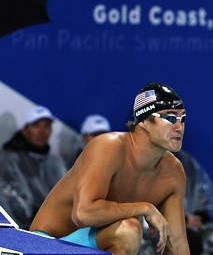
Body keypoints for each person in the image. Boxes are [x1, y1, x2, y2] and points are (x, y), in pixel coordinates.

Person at [30, 83, 190, 255]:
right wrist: (146, 208)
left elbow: (177, 243)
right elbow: (83, 213)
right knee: (128, 231)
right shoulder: (108, 147)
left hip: (87, 245)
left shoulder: (173, 172)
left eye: (183, 118)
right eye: (171, 118)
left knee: (130, 231)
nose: (179, 127)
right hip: (42, 245)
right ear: (143, 120)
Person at [140, 149, 213, 255]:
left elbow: (204, 202)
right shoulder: (140, 164)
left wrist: (197, 219)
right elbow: (144, 214)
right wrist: (183, 221)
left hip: (190, 229)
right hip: (155, 231)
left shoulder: (188, 164)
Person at [0, 105, 67, 229]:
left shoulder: (56, 161)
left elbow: (68, 197)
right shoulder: (10, 159)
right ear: (25, 129)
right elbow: (18, 208)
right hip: (26, 232)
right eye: (36, 125)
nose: (42, 131)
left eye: (46, 126)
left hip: (58, 227)